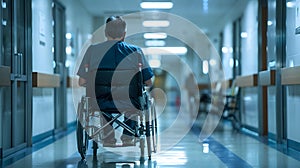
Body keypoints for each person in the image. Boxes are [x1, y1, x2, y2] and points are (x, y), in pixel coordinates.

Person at [77, 16, 154, 147]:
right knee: (134, 102)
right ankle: (128, 136)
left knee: (103, 102)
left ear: (106, 33)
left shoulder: (92, 50)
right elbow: (149, 82)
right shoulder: (135, 52)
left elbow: (81, 81)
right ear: (124, 34)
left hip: (99, 101)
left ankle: (108, 137)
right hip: (130, 101)